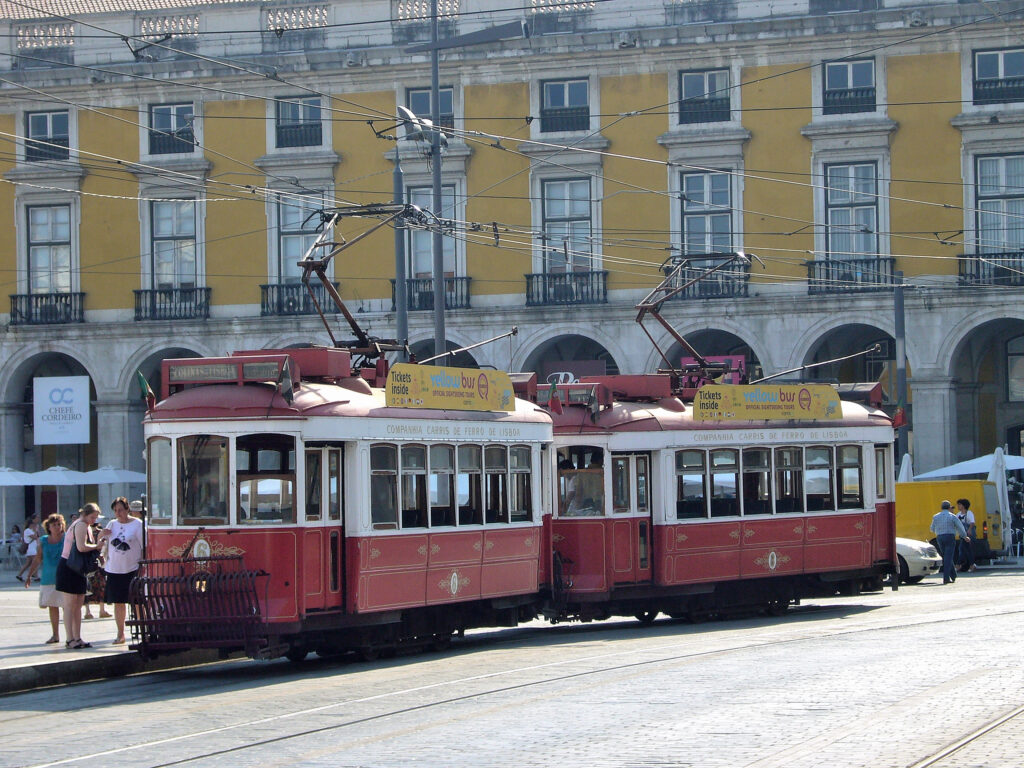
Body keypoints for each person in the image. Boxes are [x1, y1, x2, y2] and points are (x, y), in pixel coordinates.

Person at [54, 503, 109, 649]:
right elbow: (81, 547)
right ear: (85, 514)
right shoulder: (80, 525)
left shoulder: (85, 526)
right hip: (69, 566)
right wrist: (97, 546)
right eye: (92, 517)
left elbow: (86, 548)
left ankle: (77, 637)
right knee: (70, 604)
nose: (94, 520)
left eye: (96, 517)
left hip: (78, 568)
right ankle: (70, 638)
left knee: (78, 603)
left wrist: (98, 546)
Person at [103, 496, 144, 645]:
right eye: (115, 510)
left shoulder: (137, 524)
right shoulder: (112, 524)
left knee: (137, 602)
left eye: (121, 510)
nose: (118, 513)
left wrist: (143, 565)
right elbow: (104, 542)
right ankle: (120, 634)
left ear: (127, 510)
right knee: (118, 602)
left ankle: (143, 630)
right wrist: (101, 536)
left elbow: (144, 546)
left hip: (132, 568)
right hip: (114, 568)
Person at [33, 514, 66, 644]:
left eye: (59, 524)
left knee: (67, 607)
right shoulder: (44, 541)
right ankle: (55, 635)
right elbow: (37, 559)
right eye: (54, 525)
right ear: (49, 527)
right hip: (48, 578)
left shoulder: (66, 539)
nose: (57, 527)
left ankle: (71, 635)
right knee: (53, 606)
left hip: (64, 577)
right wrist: (29, 575)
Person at [930, 499, 968, 585]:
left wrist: (938, 530)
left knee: (946, 556)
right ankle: (946, 578)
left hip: (939, 537)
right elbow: (960, 527)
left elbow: (932, 528)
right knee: (948, 557)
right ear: (949, 507)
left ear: (941, 507)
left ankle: (953, 575)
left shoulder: (935, 516)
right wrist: (964, 536)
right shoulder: (952, 516)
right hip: (950, 537)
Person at [956, 498, 978, 573]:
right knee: (967, 550)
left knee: (962, 549)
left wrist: (969, 529)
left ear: (964, 505)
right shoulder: (958, 514)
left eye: (959, 504)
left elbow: (972, 522)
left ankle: (958, 565)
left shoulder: (969, 513)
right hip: (962, 534)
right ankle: (972, 565)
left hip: (968, 534)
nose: (958, 506)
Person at [17, 515, 40, 583]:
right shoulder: (27, 530)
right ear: (31, 524)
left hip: (33, 548)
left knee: (28, 563)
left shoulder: (31, 530)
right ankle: (36, 576)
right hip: (31, 549)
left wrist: (36, 531)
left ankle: (19, 575)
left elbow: (38, 536)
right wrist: (36, 530)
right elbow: (35, 537)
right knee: (35, 562)